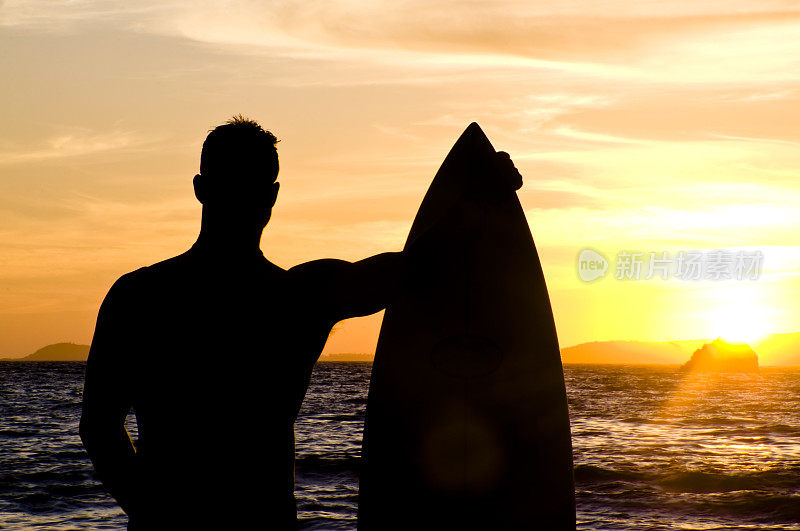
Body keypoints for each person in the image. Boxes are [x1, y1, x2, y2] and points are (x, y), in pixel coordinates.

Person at [80, 116, 521, 529]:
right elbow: (419, 266)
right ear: (271, 196)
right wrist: (479, 198)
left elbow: (99, 429)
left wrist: (158, 515)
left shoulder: (137, 296)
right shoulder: (298, 297)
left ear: (199, 188)